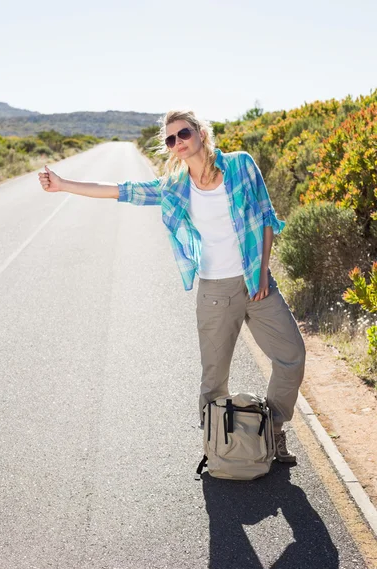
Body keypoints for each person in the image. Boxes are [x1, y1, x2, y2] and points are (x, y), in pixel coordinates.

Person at [38, 109, 306, 463]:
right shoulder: (175, 186)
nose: (178, 142)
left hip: (257, 284)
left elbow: (266, 217)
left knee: (292, 358)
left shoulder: (241, 165)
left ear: (201, 133)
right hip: (215, 293)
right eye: (170, 139)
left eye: (184, 134)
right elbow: (122, 191)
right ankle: (218, 449)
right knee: (214, 378)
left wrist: (261, 272)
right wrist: (63, 185)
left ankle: (271, 433)